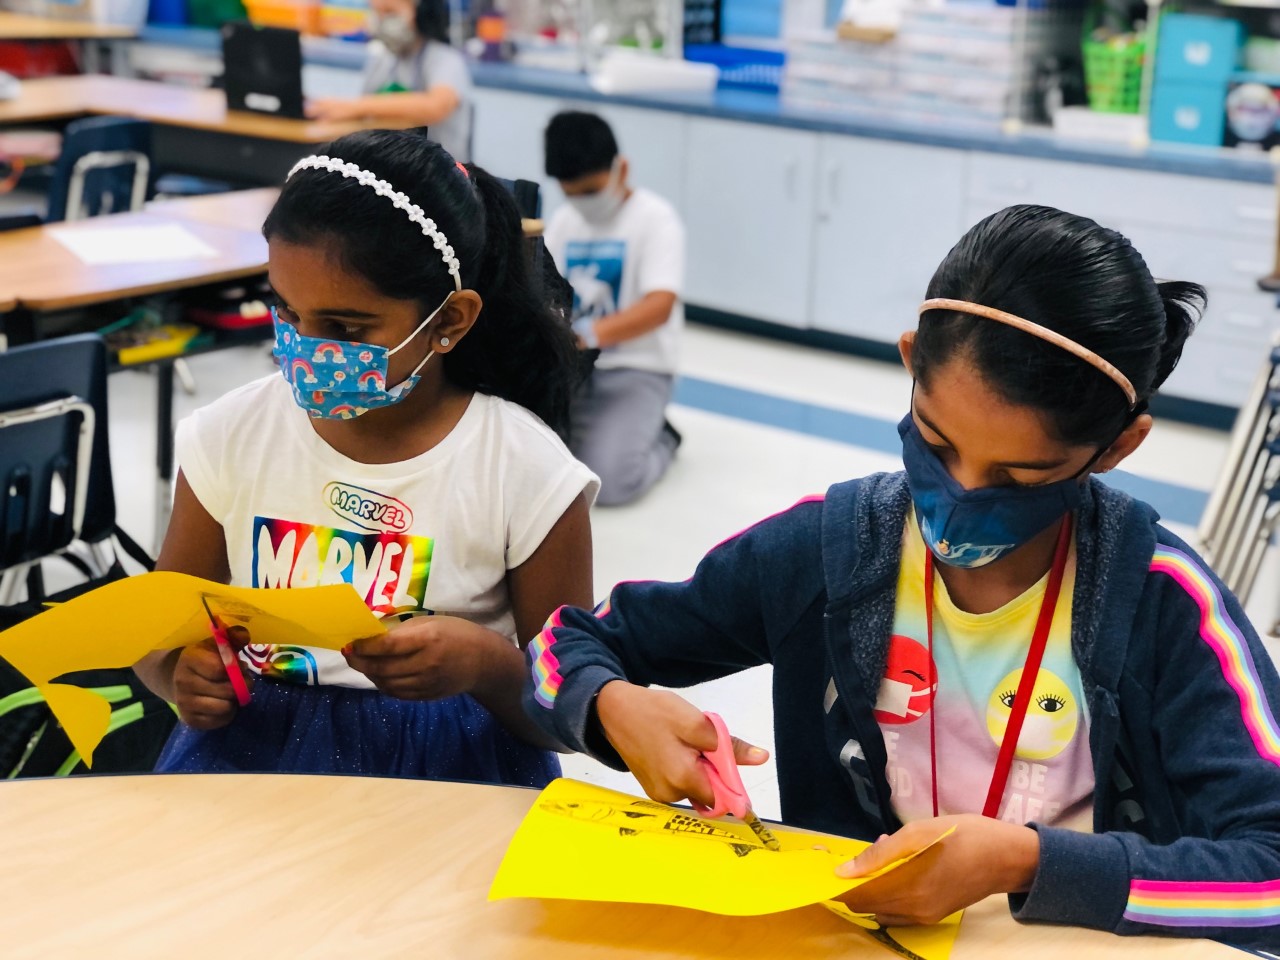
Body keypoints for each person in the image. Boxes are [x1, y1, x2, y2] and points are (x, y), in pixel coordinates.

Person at [522, 205, 1280, 945]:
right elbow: (563, 643)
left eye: (1018, 478)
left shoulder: (1160, 601)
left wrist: (1026, 861)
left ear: (1117, 448)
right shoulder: (827, 551)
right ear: (911, 360)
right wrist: (611, 704)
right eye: (935, 442)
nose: (960, 497)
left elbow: (1270, 873)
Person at [135, 130, 597, 785]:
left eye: (346, 330)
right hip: (252, 759)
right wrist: (181, 674)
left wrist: (483, 664)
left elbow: (570, 707)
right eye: (284, 311)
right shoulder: (230, 434)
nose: (303, 347)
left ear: (450, 321)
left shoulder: (524, 469)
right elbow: (159, 638)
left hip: (451, 774)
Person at [543, 111, 685, 506]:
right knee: (544, 465)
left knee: (609, 483)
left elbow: (659, 306)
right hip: (574, 368)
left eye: (591, 190)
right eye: (572, 193)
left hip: (636, 368)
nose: (582, 204)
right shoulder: (565, 221)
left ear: (621, 168)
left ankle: (663, 438)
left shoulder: (656, 219)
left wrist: (586, 336)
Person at [306, 0, 473, 162]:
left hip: (440, 173)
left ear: (422, 12)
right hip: (394, 165)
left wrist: (355, 107)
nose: (382, 19)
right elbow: (364, 115)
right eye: (377, 11)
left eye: (390, 12)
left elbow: (437, 105)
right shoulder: (382, 60)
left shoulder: (445, 59)